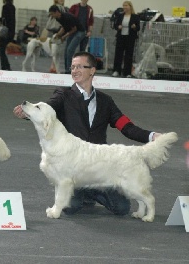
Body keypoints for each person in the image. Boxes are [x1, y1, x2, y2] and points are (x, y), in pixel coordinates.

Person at [13, 51, 161, 216]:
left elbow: (125, 126)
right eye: (72, 67)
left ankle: (91, 193)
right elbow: (47, 110)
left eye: (79, 67)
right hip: (74, 167)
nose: (74, 70)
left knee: (122, 208)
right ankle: (81, 194)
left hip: (102, 166)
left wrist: (151, 136)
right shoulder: (63, 95)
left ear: (92, 70)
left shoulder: (106, 101)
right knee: (70, 207)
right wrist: (27, 114)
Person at [49, 5, 86, 74]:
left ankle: (69, 71)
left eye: (52, 14)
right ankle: (67, 69)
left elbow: (74, 29)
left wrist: (64, 36)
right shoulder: (58, 18)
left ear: (57, 12)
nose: (52, 16)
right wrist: (58, 34)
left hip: (80, 31)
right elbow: (64, 27)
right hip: (72, 31)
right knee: (66, 51)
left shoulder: (67, 17)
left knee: (70, 50)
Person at [112, 1, 140, 78]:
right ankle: (116, 70)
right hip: (121, 37)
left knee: (129, 55)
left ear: (130, 6)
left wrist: (134, 27)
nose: (124, 7)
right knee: (118, 54)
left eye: (126, 5)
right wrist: (118, 27)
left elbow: (138, 28)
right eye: (124, 6)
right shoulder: (120, 16)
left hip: (130, 38)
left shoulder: (135, 16)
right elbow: (115, 25)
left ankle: (127, 72)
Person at [0, 0, 15, 71]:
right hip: (12, 31)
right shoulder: (13, 7)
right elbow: (11, 20)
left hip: (5, 31)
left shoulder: (5, 7)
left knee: (1, 50)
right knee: (3, 49)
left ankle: (5, 66)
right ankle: (6, 66)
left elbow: (4, 19)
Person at [46, 0, 67, 73]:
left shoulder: (64, 8)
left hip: (62, 29)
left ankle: (54, 66)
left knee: (58, 51)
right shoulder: (54, 7)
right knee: (55, 51)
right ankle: (53, 66)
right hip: (55, 30)